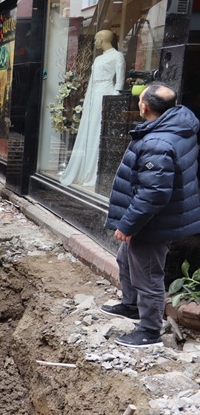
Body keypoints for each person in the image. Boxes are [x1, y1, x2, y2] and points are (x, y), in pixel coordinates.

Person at [101, 82, 200, 348]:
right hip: (158, 217)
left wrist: (128, 225)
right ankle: (131, 305)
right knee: (125, 259)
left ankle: (149, 331)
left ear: (144, 107)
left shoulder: (157, 142)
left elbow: (153, 194)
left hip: (154, 222)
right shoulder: (178, 125)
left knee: (147, 276)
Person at [60, 29, 125, 187]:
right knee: (90, 129)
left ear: (102, 40)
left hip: (106, 93)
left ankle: (94, 171)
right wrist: (87, 99)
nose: (95, 43)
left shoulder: (117, 56)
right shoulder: (98, 59)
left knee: (99, 129)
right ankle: (84, 169)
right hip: (94, 95)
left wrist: (113, 102)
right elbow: (92, 81)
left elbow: (119, 82)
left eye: (97, 40)